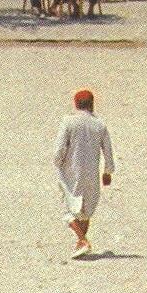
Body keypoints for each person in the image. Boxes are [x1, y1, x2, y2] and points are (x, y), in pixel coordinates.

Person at [54, 89, 115, 257]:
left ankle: (83, 240)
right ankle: (81, 243)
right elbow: (108, 150)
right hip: (91, 172)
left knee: (69, 208)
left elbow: (60, 148)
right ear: (92, 104)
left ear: (75, 104)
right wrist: (108, 171)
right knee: (86, 210)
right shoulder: (99, 125)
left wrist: (57, 162)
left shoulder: (68, 122)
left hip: (71, 171)